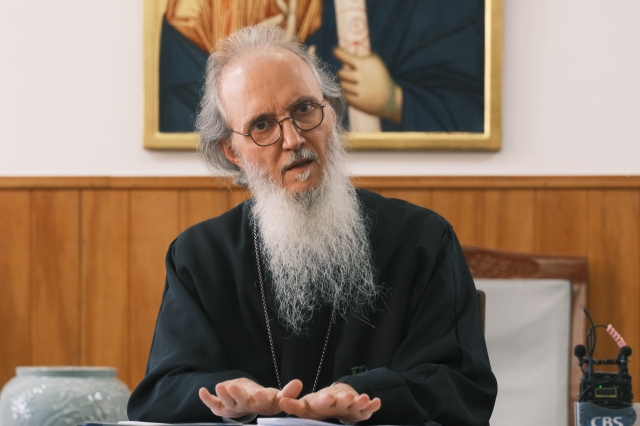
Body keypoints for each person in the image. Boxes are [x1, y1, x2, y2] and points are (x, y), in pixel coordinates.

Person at [128, 25, 497, 425]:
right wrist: (232, 393)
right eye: (262, 125)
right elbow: (162, 390)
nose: (292, 139)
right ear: (232, 151)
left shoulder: (422, 241)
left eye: (304, 109)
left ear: (332, 113)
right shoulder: (199, 256)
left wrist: (367, 393)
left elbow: (461, 385)